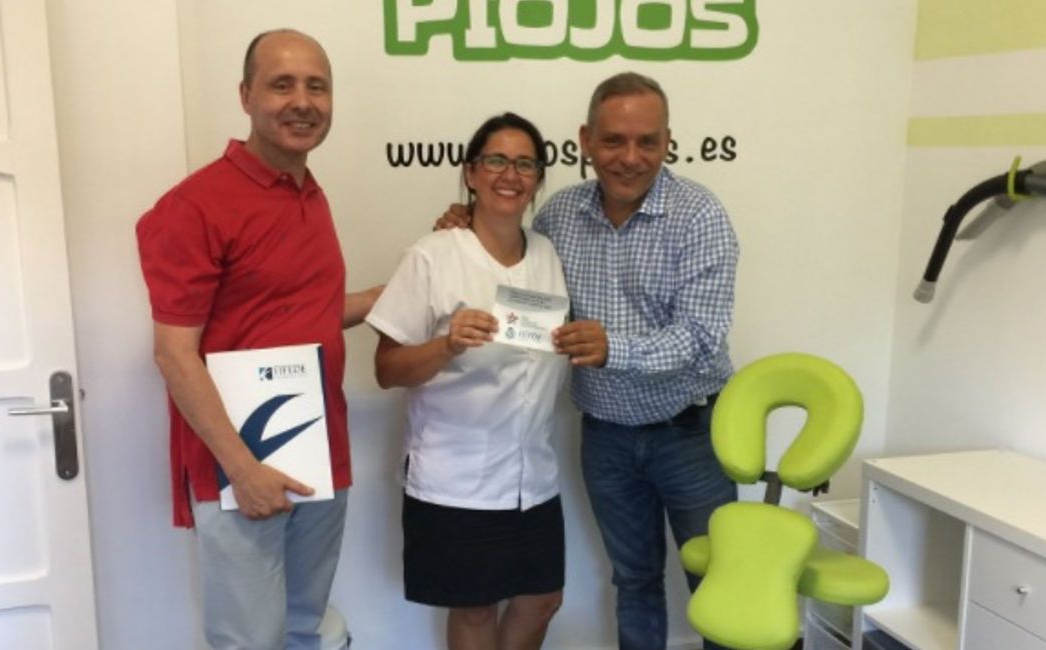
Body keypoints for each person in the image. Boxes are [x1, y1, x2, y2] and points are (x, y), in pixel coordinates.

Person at [440, 73, 739, 650]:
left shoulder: (699, 215)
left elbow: (702, 338)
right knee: (634, 580)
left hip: (691, 434)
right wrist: (464, 223)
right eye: (614, 140)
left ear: (668, 141)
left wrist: (614, 348)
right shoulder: (558, 216)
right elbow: (513, 266)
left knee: (720, 583)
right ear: (585, 140)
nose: (630, 157)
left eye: (647, 141)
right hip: (606, 437)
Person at [135, 29, 380, 650]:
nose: (302, 102)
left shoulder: (310, 193)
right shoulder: (195, 206)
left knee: (304, 627)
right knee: (250, 640)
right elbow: (173, 352)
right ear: (246, 96)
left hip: (319, 453)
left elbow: (303, 314)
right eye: (281, 85)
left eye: (317, 87)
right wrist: (242, 469)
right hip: (240, 466)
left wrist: (402, 292)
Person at [368, 113, 569, 650]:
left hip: (533, 476)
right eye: (496, 160)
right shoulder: (433, 255)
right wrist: (448, 345)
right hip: (457, 479)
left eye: (525, 164)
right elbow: (387, 369)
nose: (511, 174)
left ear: (538, 179)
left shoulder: (547, 253)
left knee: (542, 599)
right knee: (475, 609)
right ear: (471, 173)